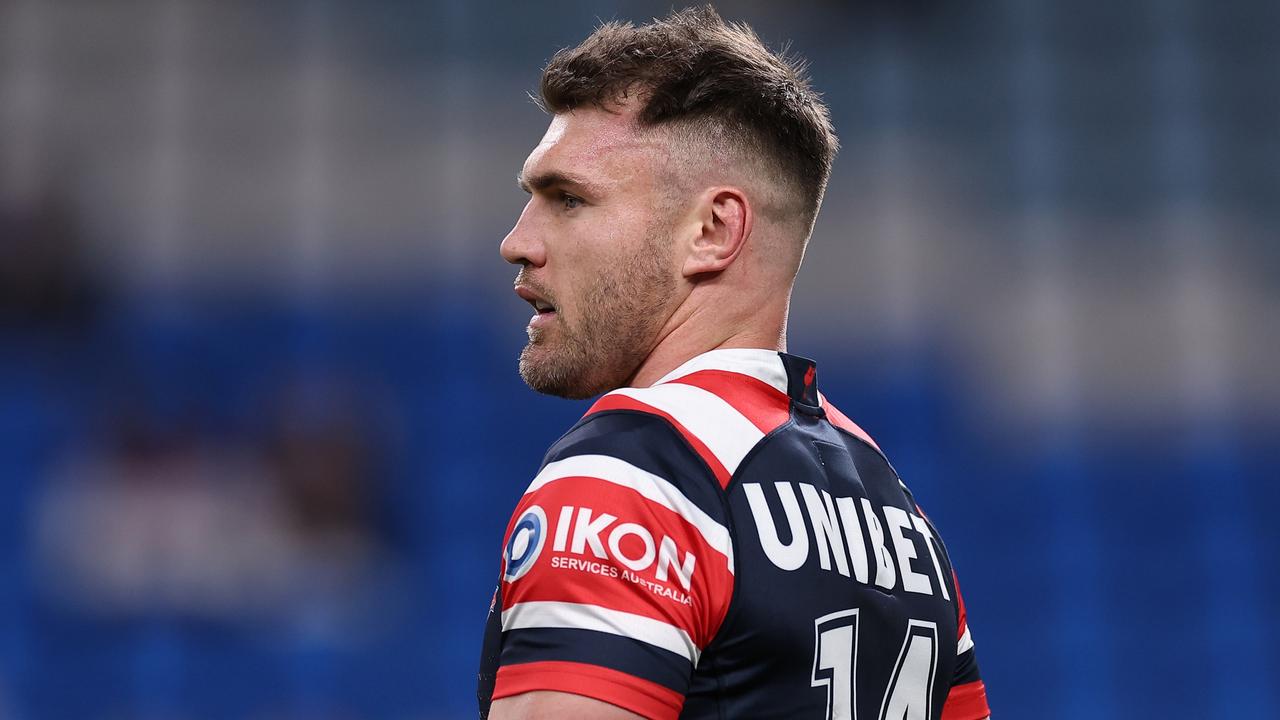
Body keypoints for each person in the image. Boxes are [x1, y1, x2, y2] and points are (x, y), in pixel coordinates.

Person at [478, 7, 991, 719]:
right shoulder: (904, 525)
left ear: (713, 231)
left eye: (568, 199)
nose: (516, 241)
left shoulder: (637, 475)